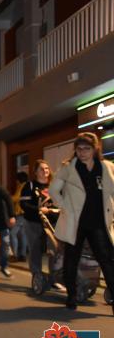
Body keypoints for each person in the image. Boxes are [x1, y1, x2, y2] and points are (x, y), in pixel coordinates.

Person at [49, 132, 114, 312]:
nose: (83, 152)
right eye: (79, 149)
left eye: (87, 148)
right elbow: (53, 190)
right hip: (75, 222)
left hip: (99, 222)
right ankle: (71, 296)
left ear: (95, 149)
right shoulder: (69, 168)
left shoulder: (106, 167)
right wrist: (64, 206)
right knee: (72, 259)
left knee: (106, 261)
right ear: (75, 150)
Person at [20, 160, 64, 291]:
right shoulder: (30, 186)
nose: (45, 171)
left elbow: (61, 202)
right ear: (35, 172)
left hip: (52, 223)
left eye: (46, 168)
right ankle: (37, 277)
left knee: (55, 250)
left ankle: (53, 279)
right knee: (35, 250)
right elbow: (24, 205)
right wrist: (38, 210)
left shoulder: (54, 186)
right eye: (41, 169)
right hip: (34, 222)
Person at [10, 171, 29, 262]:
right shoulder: (28, 186)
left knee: (12, 233)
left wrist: (8, 198)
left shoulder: (22, 186)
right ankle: (23, 255)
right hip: (25, 213)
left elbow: (16, 197)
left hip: (21, 213)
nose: (16, 181)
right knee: (22, 235)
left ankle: (15, 255)